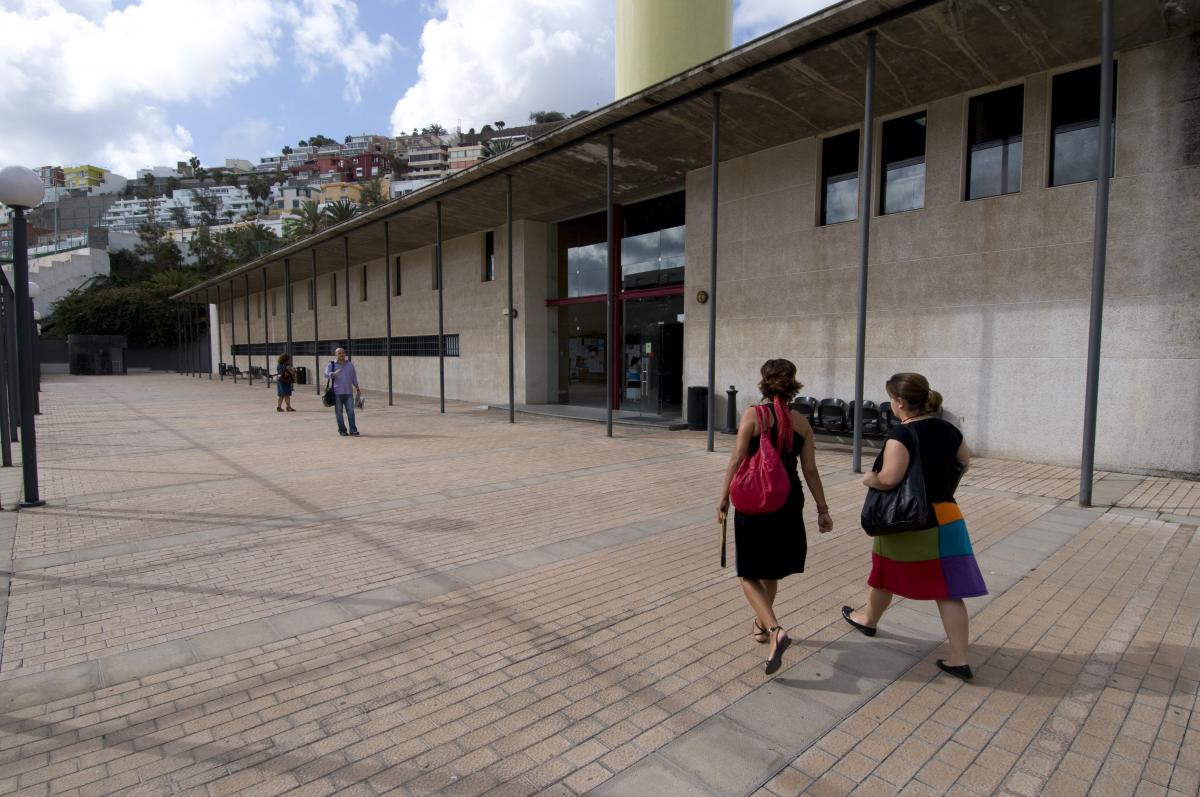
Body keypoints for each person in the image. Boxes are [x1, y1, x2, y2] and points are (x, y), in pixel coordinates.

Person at [841, 372, 986, 681]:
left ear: (900, 402)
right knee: (949, 590)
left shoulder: (901, 435)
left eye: (891, 398)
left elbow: (890, 478)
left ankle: (868, 618)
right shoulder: (949, 429)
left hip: (908, 520)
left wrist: (870, 479)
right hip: (946, 514)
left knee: (883, 572)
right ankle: (959, 658)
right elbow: (964, 462)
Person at [719, 359, 833, 675]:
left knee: (748, 574)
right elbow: (810, 470)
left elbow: (735, 460)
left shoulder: (753, 415)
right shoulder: (802, 423)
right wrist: (823, 510)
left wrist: (723, 498)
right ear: (793, 384)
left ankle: (773, 629)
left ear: (764, 382)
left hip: (755, 500)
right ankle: (760, 623)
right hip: (788, 500)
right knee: (769, 571)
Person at [324, 348, 361, 436]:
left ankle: (353, 430)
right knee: (339, 413)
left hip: (348, 392)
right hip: (337, 393)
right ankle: (342, 430)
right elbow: (325, 374)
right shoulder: (331, 364)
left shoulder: (350, 365)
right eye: (339, 353)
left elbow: (354, 378)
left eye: (343, 353)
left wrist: (358, 389)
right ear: (336, 355)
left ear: (345, 354)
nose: (341, 354)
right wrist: (333, 374)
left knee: (351, 411)